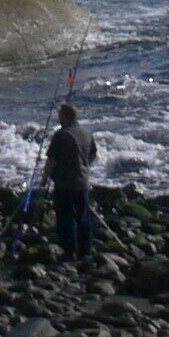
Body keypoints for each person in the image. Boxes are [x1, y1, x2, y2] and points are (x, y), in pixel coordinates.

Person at [43, 101, 97, 261]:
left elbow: (51, 160)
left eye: (60, 114)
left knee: (65, 218)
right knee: (83, 217)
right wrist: (84, 167)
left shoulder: (61, 135)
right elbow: (93, 154)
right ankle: (85, 251)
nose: (58, 117)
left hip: (65, 183)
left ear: (65, 116)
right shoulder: (87, 133)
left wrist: (45, 178)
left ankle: (69, 251)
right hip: (83, 182)